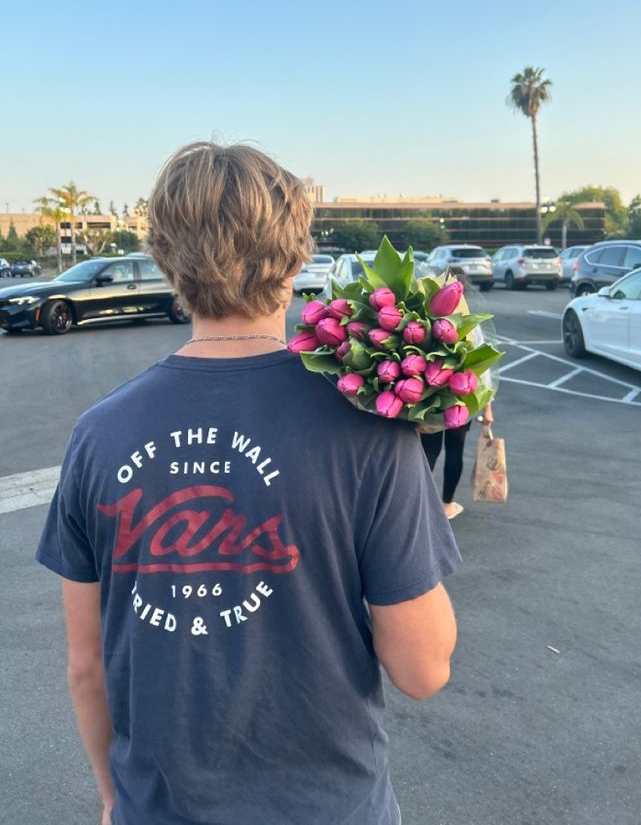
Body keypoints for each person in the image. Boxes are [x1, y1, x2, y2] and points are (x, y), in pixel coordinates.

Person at [36, 142, 460, 825]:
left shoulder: (97, 433)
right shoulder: (370, 432)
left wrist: (114, 798)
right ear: (296, 259)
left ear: (166, 260)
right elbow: (423, 668)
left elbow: (86, 666)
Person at [420, 268, 493, 520]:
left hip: (430, 396)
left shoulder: (425, 316)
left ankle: (420, 505)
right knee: (455, 450)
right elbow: (482, 369)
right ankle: (446, 504)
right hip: (461, 398)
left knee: (428, 450)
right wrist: (487, 408)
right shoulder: (469, 322)